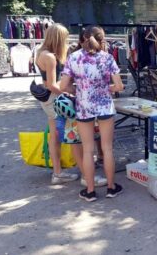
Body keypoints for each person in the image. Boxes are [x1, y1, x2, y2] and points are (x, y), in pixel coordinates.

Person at [61, 26, 124, 202]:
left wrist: (77, 89)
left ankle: (90, 191)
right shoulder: (108, 58)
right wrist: (106, 88)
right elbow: (119, 86)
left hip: (84, 107)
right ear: (102, 40)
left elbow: (62, 86)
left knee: (88, 150)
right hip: (105, 107)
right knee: (107, 148)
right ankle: (111, 187)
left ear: (81, 40)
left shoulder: (73, 58)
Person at [35, 23, 80, 185]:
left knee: (54, 135)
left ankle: (58, 172)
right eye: (65, 38)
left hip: (48, 100)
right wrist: (68, 93)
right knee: (66, 133)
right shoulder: (50, 57)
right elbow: (52, 85)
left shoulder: (41, 52)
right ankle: (59, 173)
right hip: (54, 99)